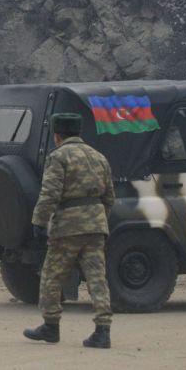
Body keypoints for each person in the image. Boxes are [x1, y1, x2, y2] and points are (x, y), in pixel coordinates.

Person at [23, 113, 115, 349]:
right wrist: (96, 217)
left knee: (52, 276)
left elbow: (50, 193)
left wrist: (39, 222)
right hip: (96, 225)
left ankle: (51, 326)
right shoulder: (99, 157)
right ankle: (102, 330)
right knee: (97, 277)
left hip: (67, 228)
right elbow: (109, 197)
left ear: (57, 136)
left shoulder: (59, 156)